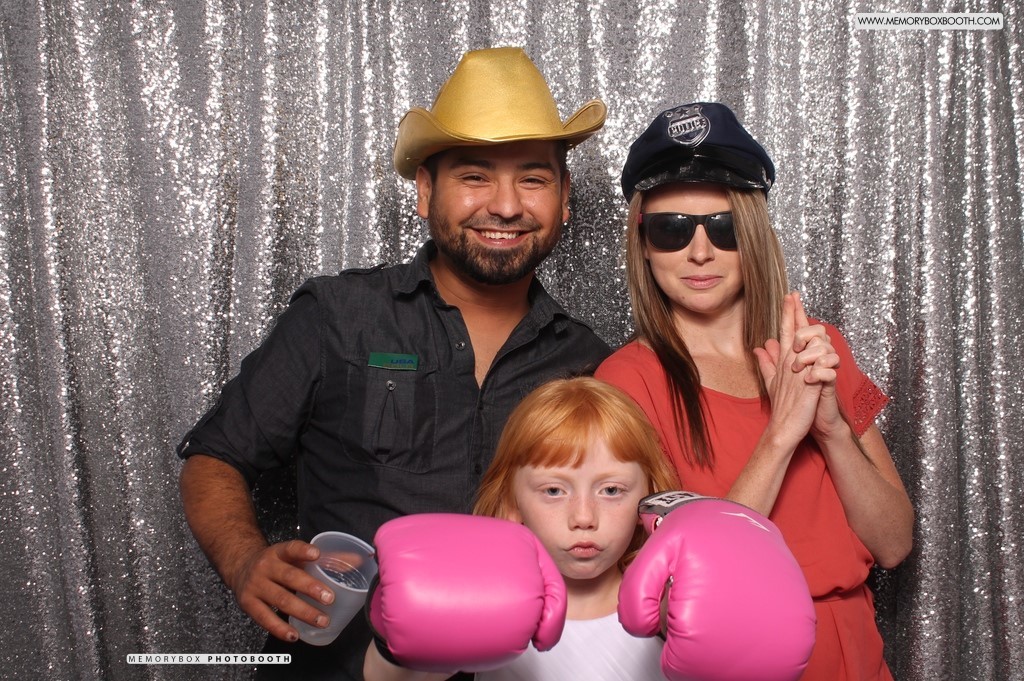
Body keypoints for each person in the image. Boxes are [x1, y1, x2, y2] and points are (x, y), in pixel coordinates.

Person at [176, 47, 611, 681]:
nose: (506, 206)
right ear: (426, 191)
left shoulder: (589, 362)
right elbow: (216, 456)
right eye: (474, 176)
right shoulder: (338, 315)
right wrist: (245, 561)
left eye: (533, 179)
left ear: (565, 198)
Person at [595, 102, 915, 681]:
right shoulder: (623, 383)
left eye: (724, 229)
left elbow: (893, 543)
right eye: (672, 230)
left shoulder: (816, 347)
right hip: (736, 658)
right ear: (642, 241)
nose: (700, 252)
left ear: (755, 235)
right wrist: (781, 435)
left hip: (855, 653)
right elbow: (673, 589)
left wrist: (830, 431)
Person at [362, 376, 680, 681]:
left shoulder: (668, 607)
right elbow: (386, 678)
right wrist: (393, 628)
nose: (584, 517)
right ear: (512, 504)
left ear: (649, 501)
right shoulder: (488, 601)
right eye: (554, 491)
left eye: (611, 490)